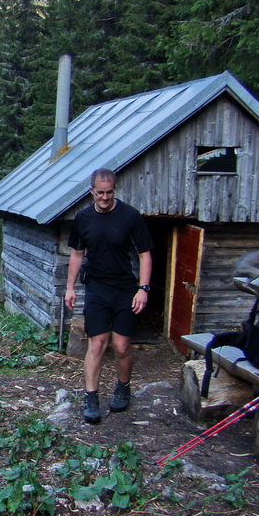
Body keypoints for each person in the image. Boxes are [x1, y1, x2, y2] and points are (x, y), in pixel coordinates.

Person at [64, 168, 153, 424]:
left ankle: (123, 387)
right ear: (91, 191)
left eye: (109, 192)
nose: (105, 197)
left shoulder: (130, 216)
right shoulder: (83, 219)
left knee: (122, 346)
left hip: (125, 288)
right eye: (100, 192)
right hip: (97, 288)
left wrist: (143, 289)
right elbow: (77, 253)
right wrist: (70, 287)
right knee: (97, 343)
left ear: (115, 190)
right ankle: (91, 397)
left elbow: (145, 254)